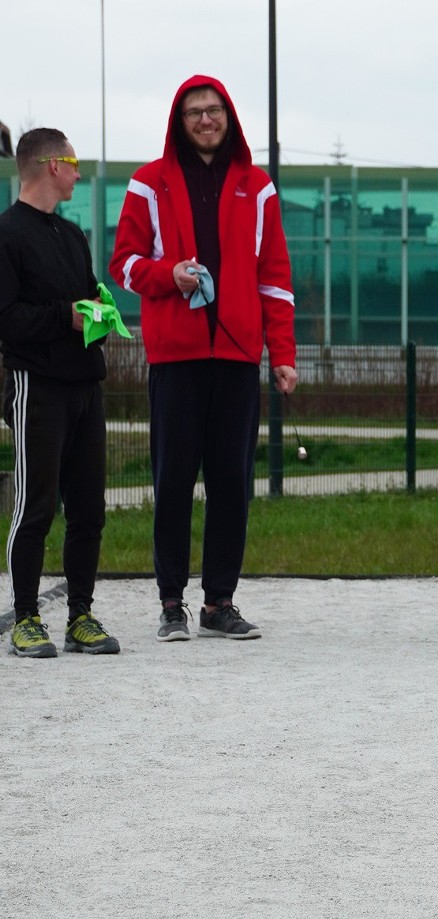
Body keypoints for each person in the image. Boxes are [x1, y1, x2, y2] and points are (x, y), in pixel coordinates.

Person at [110, 76, 298, 643]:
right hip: (176, 359)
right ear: (178, 121)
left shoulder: (258, 186)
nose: (205, 120)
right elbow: (123, 265)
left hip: (239, 358)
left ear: (229, 117)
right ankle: (172, 603)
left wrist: (282, 354)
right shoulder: (149, 183)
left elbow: (276, 280)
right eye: (194, 112)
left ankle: (220, 602)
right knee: (172, 484)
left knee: (231, 484)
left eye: (213, 110)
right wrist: (169, 274)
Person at [0, 129, 120, 658]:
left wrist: (100, 309)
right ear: (51, 166)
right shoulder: (6, 234)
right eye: (73, 161)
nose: (78, 171)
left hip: (84, 386)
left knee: (89, 508)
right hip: (37, 387)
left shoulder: (73, 237)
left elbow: (86, 293)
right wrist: (64, 317)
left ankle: (80, 615)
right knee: (35, 506)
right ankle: (26, 616)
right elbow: (7, 319)